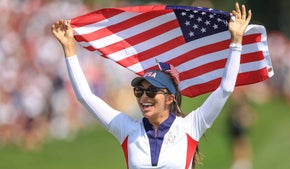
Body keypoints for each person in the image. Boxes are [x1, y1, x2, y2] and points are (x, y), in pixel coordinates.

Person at [51, 2, 251, 169]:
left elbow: (224, 89)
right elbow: (85, 97)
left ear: (170, 98)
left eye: (151, 91)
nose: (143, 97)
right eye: (139, 90)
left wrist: (236, 41)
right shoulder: (128, 129)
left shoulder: (190, 126)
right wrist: (69, 48)